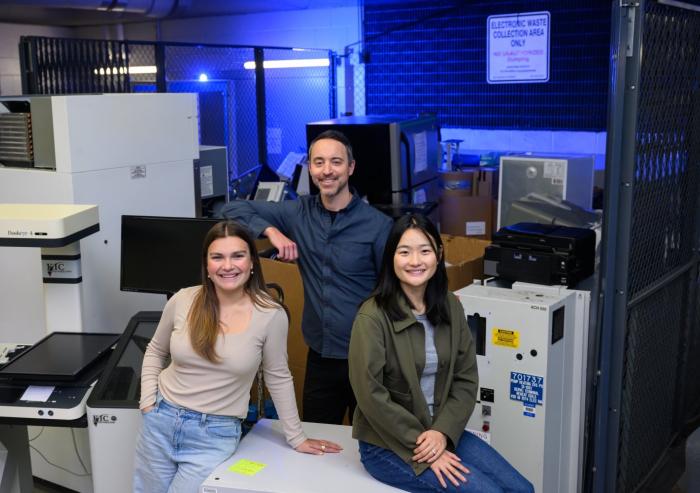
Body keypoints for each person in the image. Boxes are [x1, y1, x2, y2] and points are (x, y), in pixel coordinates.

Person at [134, 220, 342, 493]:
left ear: (253, 262)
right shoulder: (183, 299)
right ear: (207, 265)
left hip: (214, 434)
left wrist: (296, 437)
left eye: (238, 256)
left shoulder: (270, 315)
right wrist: (148, 401)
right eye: (217, 257)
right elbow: (155, 350)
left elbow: (278, 376)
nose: (227, 265)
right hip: (160, 422)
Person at [348, 214, 534, 492]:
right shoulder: (372, 317)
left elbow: (465, 379)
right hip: (387, 444)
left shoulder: (450, 305)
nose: (415, 261)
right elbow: (370, 395)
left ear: (438, 254)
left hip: (441, 430)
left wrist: (441, 433)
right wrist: (423, 444)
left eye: (424, 251)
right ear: (391, 258)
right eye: (404, 252)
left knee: (523, 489)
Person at [221, 130, 393, 424]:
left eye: (336, 162)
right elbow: (231, 209)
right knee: (318, 443)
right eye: (319, 162)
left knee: (371, 447)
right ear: (310, 168)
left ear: (350, 167)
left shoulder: (379, 226)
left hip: (368, 358)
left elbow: (392, 292)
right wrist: (272, 232)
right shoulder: (298, 213)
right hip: (321, 357)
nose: (327, 171)